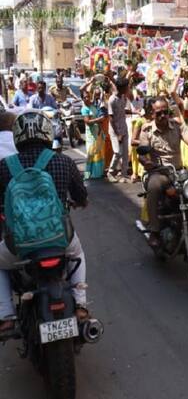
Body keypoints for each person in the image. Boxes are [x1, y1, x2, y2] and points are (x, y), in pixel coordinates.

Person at [0, 111, 91, 337]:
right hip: (59, 239)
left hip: (20, 246)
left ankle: (7, 316)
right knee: (77, 253)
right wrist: (78, 202)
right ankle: (80, 305)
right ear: (48, 134)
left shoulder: (3, 167)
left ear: (17, 137)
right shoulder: (63, 161)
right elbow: (81, 197)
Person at [137, 97, 188, 248]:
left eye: (165, 112)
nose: (162, 116)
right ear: (152, 114)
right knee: (153, 186)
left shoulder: (177, 126)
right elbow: (142, 153)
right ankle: (154, 230)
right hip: (158, 172)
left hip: (178, 172)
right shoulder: (147, 130)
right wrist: (146, 162)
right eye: (158, 113)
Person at [107, 77, 134, 182]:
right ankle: (110, 172)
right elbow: (111, 118)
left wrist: (134, 112)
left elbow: (123, 111)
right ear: (121, 88)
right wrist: (118, 134)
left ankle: (124, 175)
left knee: (125, 153)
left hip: (124, 128)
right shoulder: (112, 100)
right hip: (115, 131)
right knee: (117, 152)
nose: (128, 89)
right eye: (127, 87)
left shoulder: (123, 97)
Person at [81, 87, 107, 180]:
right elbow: (87, 121)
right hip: (91, 135)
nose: (87, 98)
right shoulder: (85, 109)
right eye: (85, 97)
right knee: (90, 155)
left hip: (98, 132)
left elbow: (99, 98)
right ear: (82, 99)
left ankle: (97, 174)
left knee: (98, 153)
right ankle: (87, 175)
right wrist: (98, 120)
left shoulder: (93, 105)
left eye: (88, 97)